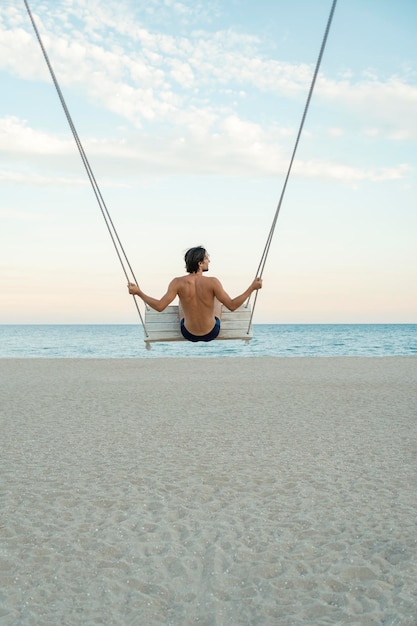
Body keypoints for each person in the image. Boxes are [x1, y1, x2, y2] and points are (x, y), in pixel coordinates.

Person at [128, 246, 263, 343]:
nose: (209, 260)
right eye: (207, 258)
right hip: (212, 332)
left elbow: (159, 306)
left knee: (183, 300)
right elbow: (232, 306)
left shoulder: (177, 282)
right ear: (200, 263)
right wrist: (252, 288)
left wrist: (138, 292)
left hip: (188, 333)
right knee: (216, 299)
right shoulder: (212, 282)